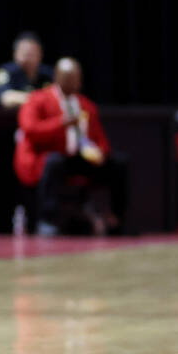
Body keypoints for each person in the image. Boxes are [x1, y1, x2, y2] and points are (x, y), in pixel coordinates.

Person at [14, 57, 127, 236]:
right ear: (57, 78)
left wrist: (101, 153)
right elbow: (30, 129)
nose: (73, 82)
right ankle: (47, 220)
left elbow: (100, 138)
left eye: (76, 77)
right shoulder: (38, 100)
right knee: (54, 163)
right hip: (51, 157)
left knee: (119, 163)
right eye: (68, 77)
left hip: (80, 158)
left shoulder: (86, 105)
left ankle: (117, 219)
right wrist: (61, 123)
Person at [0, 31, 53, 108]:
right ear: (15, 54)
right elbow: (5, 98)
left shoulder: (48, 74)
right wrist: (38, 99)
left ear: (40, 54)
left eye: (31, 54)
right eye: (24, 53)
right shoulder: (5, 72)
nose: (27, 58)